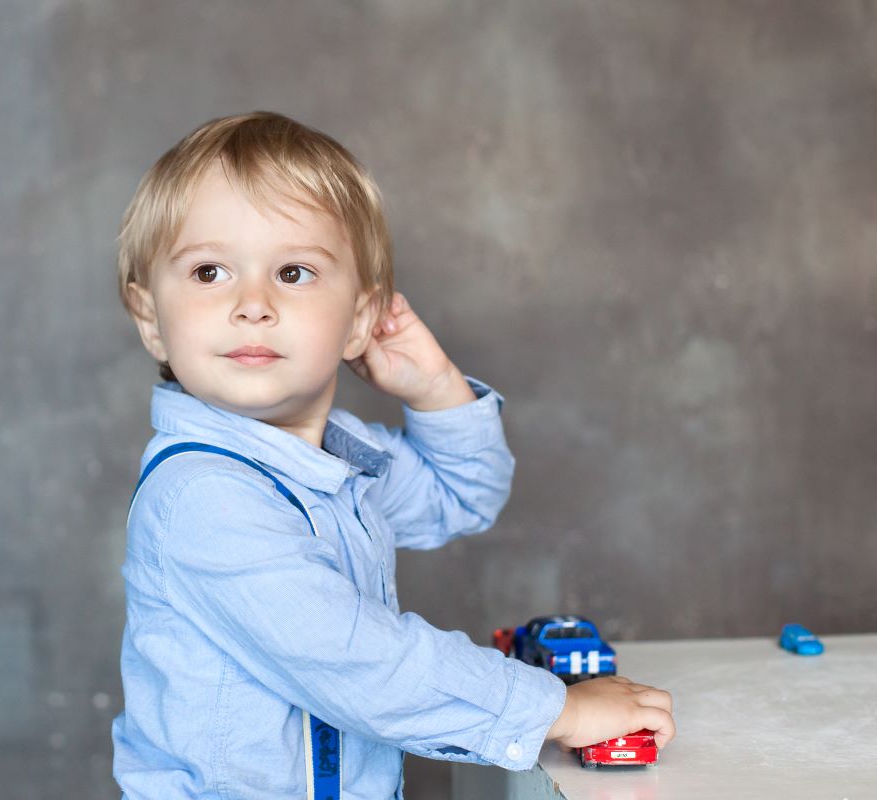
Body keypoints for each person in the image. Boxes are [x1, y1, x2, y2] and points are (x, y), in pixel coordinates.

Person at [110, 111, 675, 799]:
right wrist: (556, 709)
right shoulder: (204, 498)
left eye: (293, 271)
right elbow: (360, 664)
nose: (251, 303)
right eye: (209, 271)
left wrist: (436, 391)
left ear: (358, 321)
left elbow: (462, 499)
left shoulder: (342, 461)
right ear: (150, 320)